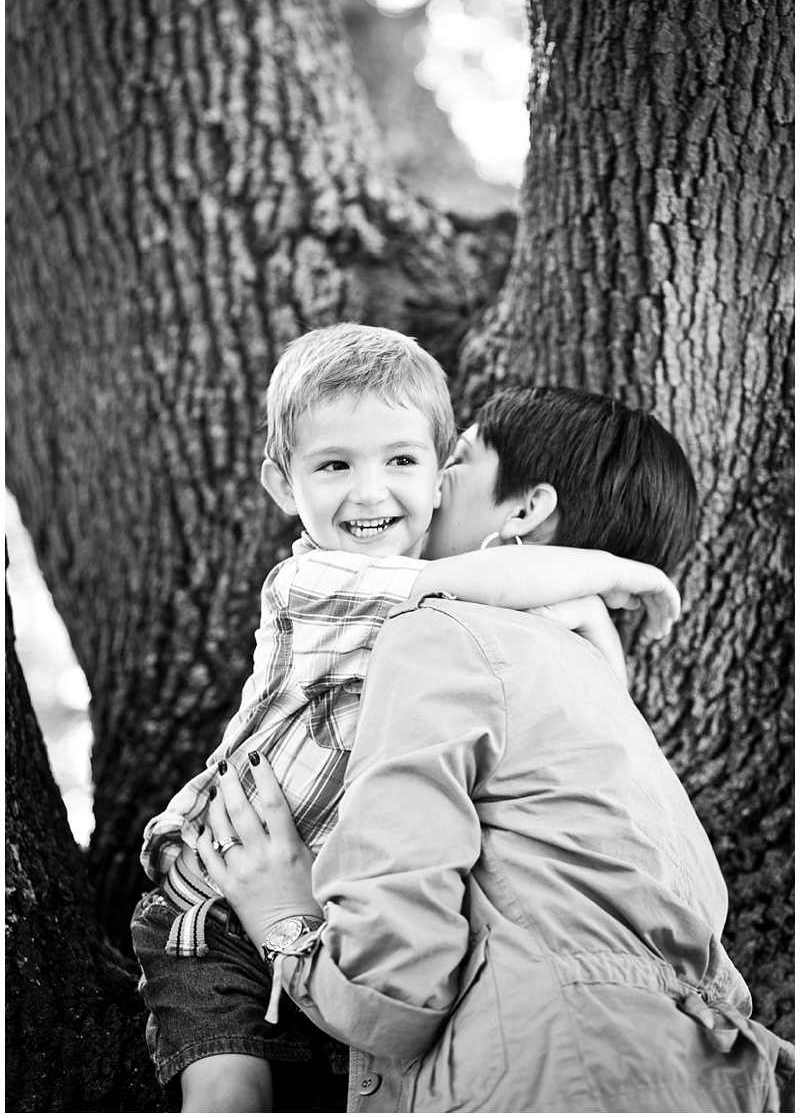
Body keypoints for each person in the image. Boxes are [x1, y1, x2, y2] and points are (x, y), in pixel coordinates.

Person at [131, 324, 690, 1113]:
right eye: (334, 465)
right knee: (228, 1090)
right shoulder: (328, 582)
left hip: (323, 921)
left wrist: (592, 604)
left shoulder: (465, 640)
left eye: (426, 460)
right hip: (213, 902)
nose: (375, 492)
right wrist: (602, 590)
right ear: (284, 483)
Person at [199, 567, 795, 1112]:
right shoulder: (610, 715)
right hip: (723, 1071)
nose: (435, 485)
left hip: (560, 1067)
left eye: (458, 464)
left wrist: (286, 922)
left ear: (524, 515)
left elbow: (388, 992)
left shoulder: (442, 630)